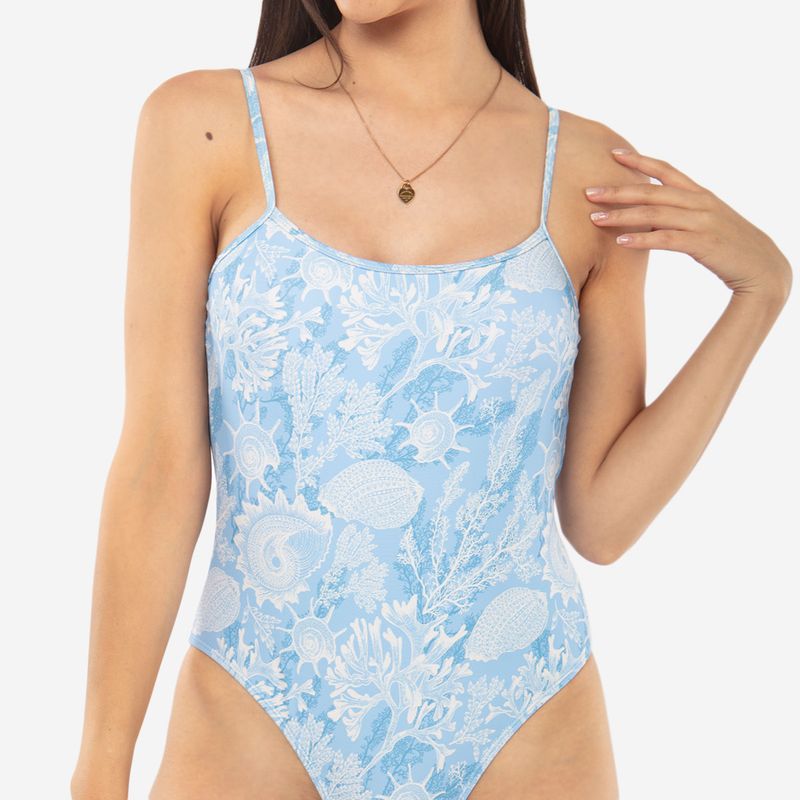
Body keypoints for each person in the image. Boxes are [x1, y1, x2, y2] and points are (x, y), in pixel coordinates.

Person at [70, 2, 792, 799]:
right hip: (256, 705)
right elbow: (159, 465)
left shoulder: (592, 174)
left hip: (524, 717)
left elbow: (602, 521)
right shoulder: (206, 126)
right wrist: (99, 769)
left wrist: (759, 294)